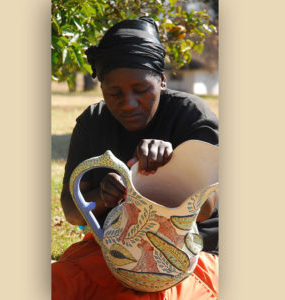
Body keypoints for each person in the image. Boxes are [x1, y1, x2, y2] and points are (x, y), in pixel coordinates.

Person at [52, 17, 219, 300]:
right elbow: (71, 210)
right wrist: (103, 197)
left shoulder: (191, 115)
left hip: (190, 256)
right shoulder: (93, 122)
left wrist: (174, 164)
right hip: (114, 252)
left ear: (163, 81)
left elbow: (205, 210)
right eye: (113, 93)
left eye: (141, 91)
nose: (128, 104)